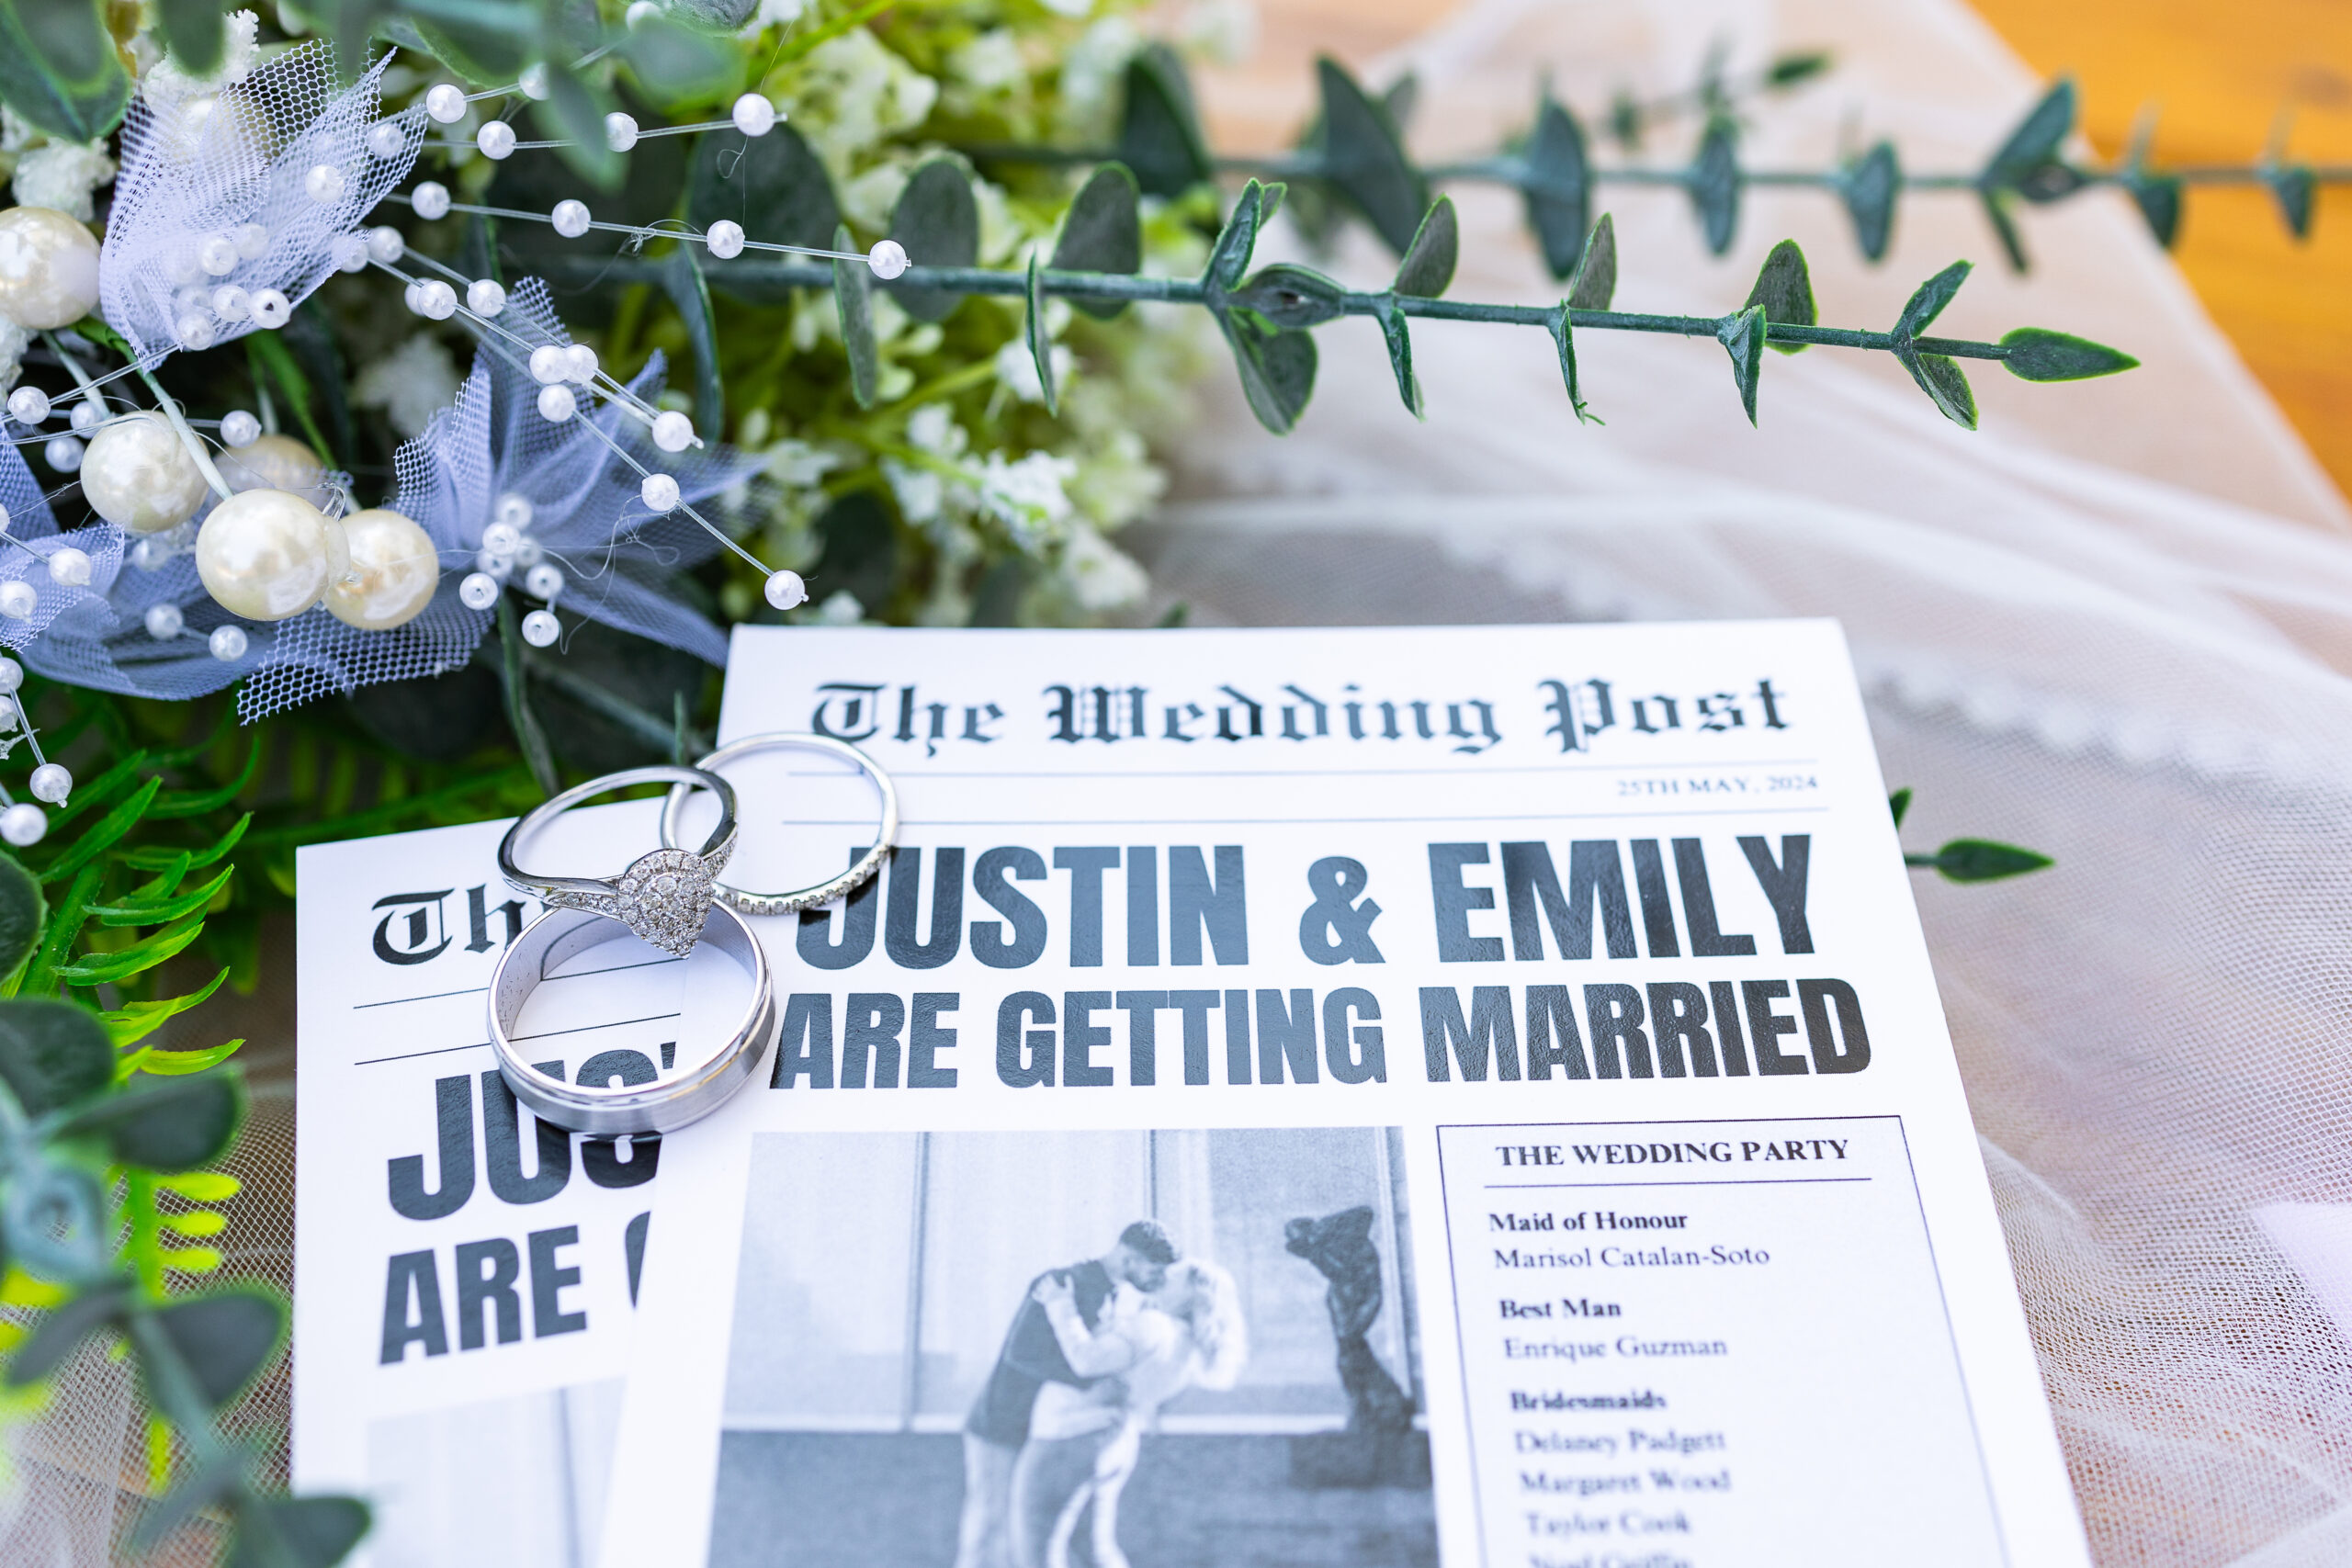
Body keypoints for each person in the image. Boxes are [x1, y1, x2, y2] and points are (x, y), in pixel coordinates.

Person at [954, 1220, 1180, 1568]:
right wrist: (1089, 1382)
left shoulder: (1112, 1295)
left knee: (1024, 1536)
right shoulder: (1062, 1283)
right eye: (1154, 1269)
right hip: (1002, 1425)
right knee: (992, 1528)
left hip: (1039, 1431)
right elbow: (1022, 1352)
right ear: (1129, 1258)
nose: (1159, 1279)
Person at [1012, 1258, 1248, 1568]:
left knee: (1036, 1550)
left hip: (1067, 1437)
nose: (1155, 1282)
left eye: (1166, 1280)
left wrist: (1060, 1304)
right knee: (1097, 1551)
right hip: (1114, 1442)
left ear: (1190, 1293)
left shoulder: (1153, 1326)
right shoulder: (1188, 1349)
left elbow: (1086, 1361)